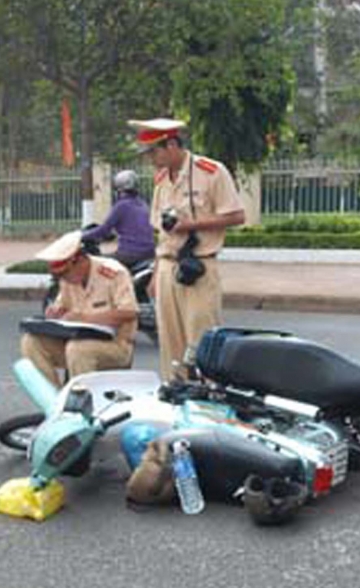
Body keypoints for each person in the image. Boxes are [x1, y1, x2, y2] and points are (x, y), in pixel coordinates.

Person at [128, 118, 245, 381]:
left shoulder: (211, 172)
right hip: (168, 267)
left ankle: (209, 399)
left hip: (199, 267)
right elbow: (161, 232)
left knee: (202, 340)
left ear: (171, 145)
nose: (150, 159)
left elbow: (237, 216)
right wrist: (156, 272)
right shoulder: (161, 180)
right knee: (171, 343)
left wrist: (191, 224)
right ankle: (176, 397)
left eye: (153, 152)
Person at [21, 230, 138, 388]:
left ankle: (83, 402)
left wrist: (83, 318)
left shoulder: (113, 273)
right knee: (31, 342)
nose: (64, 279)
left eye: (65, 273)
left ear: (80, 260)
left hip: (116, 346)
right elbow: (61, 307)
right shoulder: (68, 281)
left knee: (78, 349)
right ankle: (56, 399)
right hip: (74, 343)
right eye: (59, 276)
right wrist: (54, 313)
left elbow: (129, 312)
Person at [81, 170, 155, 268]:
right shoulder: (143, 204)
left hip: (130, 254)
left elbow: (104, 230)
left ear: (119, 189)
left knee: (98, 263)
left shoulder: (121, 206)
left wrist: (81, 236)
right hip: (149, 253)